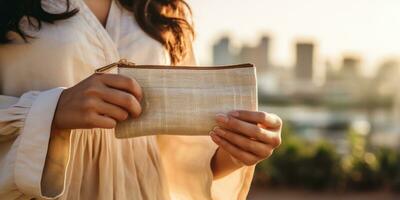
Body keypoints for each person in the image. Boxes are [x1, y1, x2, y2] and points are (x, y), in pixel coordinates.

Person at [0, 0, 282, 199]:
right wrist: (53, 109)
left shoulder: (163, 8)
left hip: (145, 190)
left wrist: (237, 149)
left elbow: (185, 157)